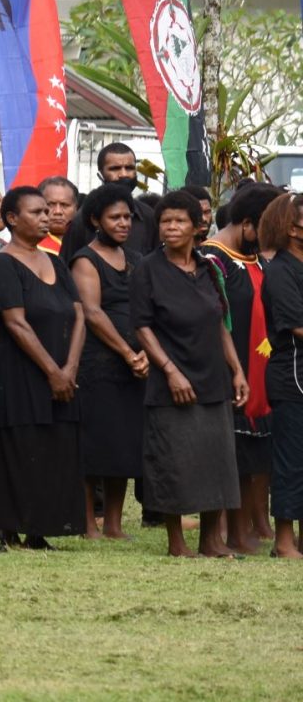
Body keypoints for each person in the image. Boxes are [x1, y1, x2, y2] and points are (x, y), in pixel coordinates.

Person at [132, 191, 245, 558]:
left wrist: (237, 371)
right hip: (171, 381)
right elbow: (142, 327)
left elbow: (220, 324)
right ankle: (177, 543)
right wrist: (169, 371)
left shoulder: (209, 267)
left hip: (213, 376)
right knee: (173, 461)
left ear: (198, 227)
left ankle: (212, 540)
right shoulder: (148, 268)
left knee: (217, 459)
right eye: (165, 221)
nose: (172, 227)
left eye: (180, 221)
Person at [0, 186, 87, 548]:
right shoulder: (1, 263)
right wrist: (52, 371)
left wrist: (70, 367)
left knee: (54, 448)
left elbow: (78, 314)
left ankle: (41, 528)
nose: (47, 217)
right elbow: (15, 322)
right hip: (17, 373)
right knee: (19, 445)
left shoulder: (56, 261)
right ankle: (10, 527)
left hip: (62, 372)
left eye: (48, 211)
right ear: (12, 219)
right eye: (37, 212)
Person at [204, 185, 283, 554]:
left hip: (261, 371)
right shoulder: (210, 258)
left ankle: (247, 528)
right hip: (226, 369)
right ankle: (224, 532)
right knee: (228, 454)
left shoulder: (257, 258)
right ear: (248, 223)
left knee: (252, 457)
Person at [69, 183, 148, 539]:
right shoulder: (86, 259)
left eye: (127, 217)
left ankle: (114, 524)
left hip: (136, 365)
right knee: (95, 445)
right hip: (99, 363)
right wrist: (128, 353)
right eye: (114, 217)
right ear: (95, 220)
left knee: (124, 446)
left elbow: (148, 308)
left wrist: (145, 352)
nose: (123, 223)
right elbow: (92, 312)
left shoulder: (137, 259)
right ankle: (89, 523)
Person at [257, 192, 303, 559]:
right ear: (292, 228)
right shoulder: (280, 271)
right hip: (293, 374)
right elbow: (295, 326)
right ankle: (283, 541)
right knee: (291, 458)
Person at [62, 143, 158, 257]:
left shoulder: (148, 216)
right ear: (100, 175)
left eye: (129, 168)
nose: (123, 174)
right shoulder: (83, 219)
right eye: (115, 169)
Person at [38, 176, 79, 255]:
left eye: (64, 205)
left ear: (76, 208)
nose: (58, 211)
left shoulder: (88, 244)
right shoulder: (29, 248)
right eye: (50, 204)